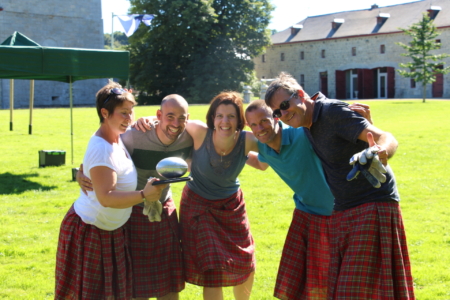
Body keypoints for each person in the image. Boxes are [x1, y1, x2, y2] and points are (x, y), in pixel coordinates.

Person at [264, 72, 415, 299]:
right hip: (343, 209)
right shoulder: (306, 123)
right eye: (277, 112)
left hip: (372, 203)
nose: (284, 114)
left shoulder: (333, 112)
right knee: (347, 290)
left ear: (301, 95)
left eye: (285, 105)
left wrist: (378, 151)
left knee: (350, 292)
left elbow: (387, 137)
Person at [136, 91, 259, 300]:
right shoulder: (199, 131)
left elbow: (275, 143)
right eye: (219, 115)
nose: (225, 121)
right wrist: (146, 119)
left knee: (246, 263)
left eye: (231, 116)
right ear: (212, 118)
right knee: (212, 269)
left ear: (240, 120)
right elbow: (173, 121)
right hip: (199, 207)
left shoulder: (247, 140)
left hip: (232, 207)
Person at [245, 100, 371, 300]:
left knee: (345, 286)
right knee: (306, 287)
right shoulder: (264, 148)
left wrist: (364, 123)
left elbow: (337, 132)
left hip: (339, 213)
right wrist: (237, 155)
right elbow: (260, 165)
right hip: (307, 215)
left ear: (276, 117)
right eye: (254, 124)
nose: (260, 128)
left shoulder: (301, 135)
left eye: (264, 121)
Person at [55, 82, 167, 300]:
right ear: (104, 113)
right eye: (124, 113)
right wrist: (145, 195)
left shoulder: (116, 134)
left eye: (131, 111)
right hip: (91, 231)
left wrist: (150, 119)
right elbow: (106, 198)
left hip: (111, 230)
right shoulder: (101, 148)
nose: (130, 117)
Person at [77, 94, 192, 300]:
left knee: (169, 281)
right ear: (159, 115)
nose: (176, 123)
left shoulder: (190, 135)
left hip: (164, 208)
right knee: (136, 283)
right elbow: (101, 151)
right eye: (169, 116)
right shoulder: (131, 136)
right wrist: (82, 170)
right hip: (133, 212)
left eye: (181, 118)